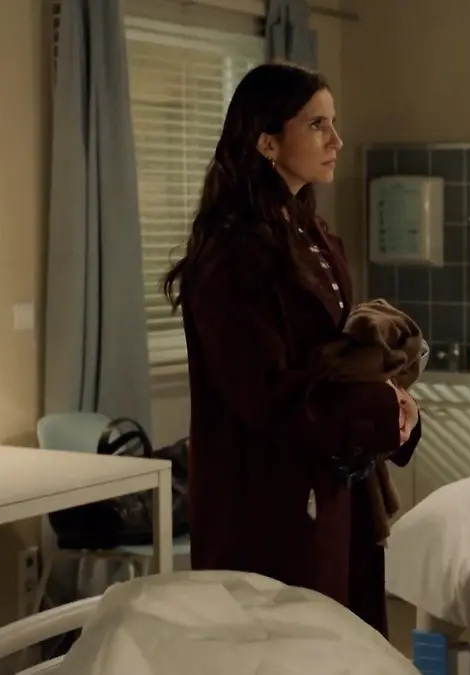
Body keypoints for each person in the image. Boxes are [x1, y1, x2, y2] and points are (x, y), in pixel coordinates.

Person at [161, 62, 422, 636]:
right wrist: (379, 407)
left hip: (331, 484)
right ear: (267, 142)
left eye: (334, 122)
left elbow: (329, 360)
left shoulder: (316, 236)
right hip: (265, 501)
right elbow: (267, 394)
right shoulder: (232, 254)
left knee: (345, 644)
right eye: (317, 125)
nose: (336, 140)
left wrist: (392, 396)